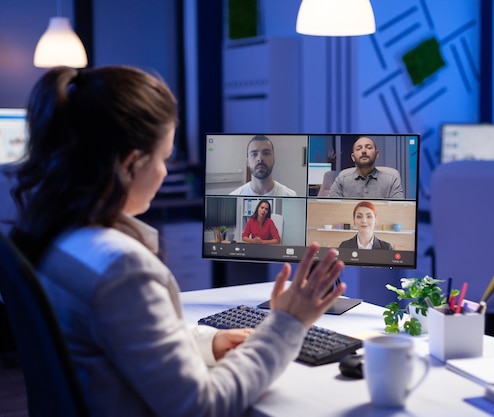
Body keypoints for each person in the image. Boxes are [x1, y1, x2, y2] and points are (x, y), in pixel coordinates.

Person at [9, 66, 346, 417]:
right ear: (129, 163)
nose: (166, 172)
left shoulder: (58, 238)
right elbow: (199, 407)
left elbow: (124, 338)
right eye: (164, 158)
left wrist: (207, 342)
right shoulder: (122, 269)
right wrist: (287, 324)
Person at [328, 136, 404, 199]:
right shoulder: (342, 179)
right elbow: (331, 207)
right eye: (359, 148)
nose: (364, 151)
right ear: (353, 157)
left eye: (368, 147)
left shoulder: (391, 180)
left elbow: (399, 209)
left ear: (376, 154)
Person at [229, 135, 297, 196]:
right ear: (247, 162)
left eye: (266, 153)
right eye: (254, 154)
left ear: (274, 159)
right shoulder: (234, 196)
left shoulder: (290, 195)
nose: (260, 158)